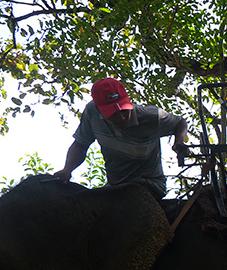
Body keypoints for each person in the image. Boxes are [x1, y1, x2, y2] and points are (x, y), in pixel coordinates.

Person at [54, 77, 188, 199]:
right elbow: (80, 145)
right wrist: (67, 170)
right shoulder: (91, 113)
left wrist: (179, 142)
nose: (122, 118)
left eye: (124, 110)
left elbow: (180, 122)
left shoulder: (151, 117)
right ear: (98, 110)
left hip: (149, 184)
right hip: (115, 186)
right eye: (113, 114)